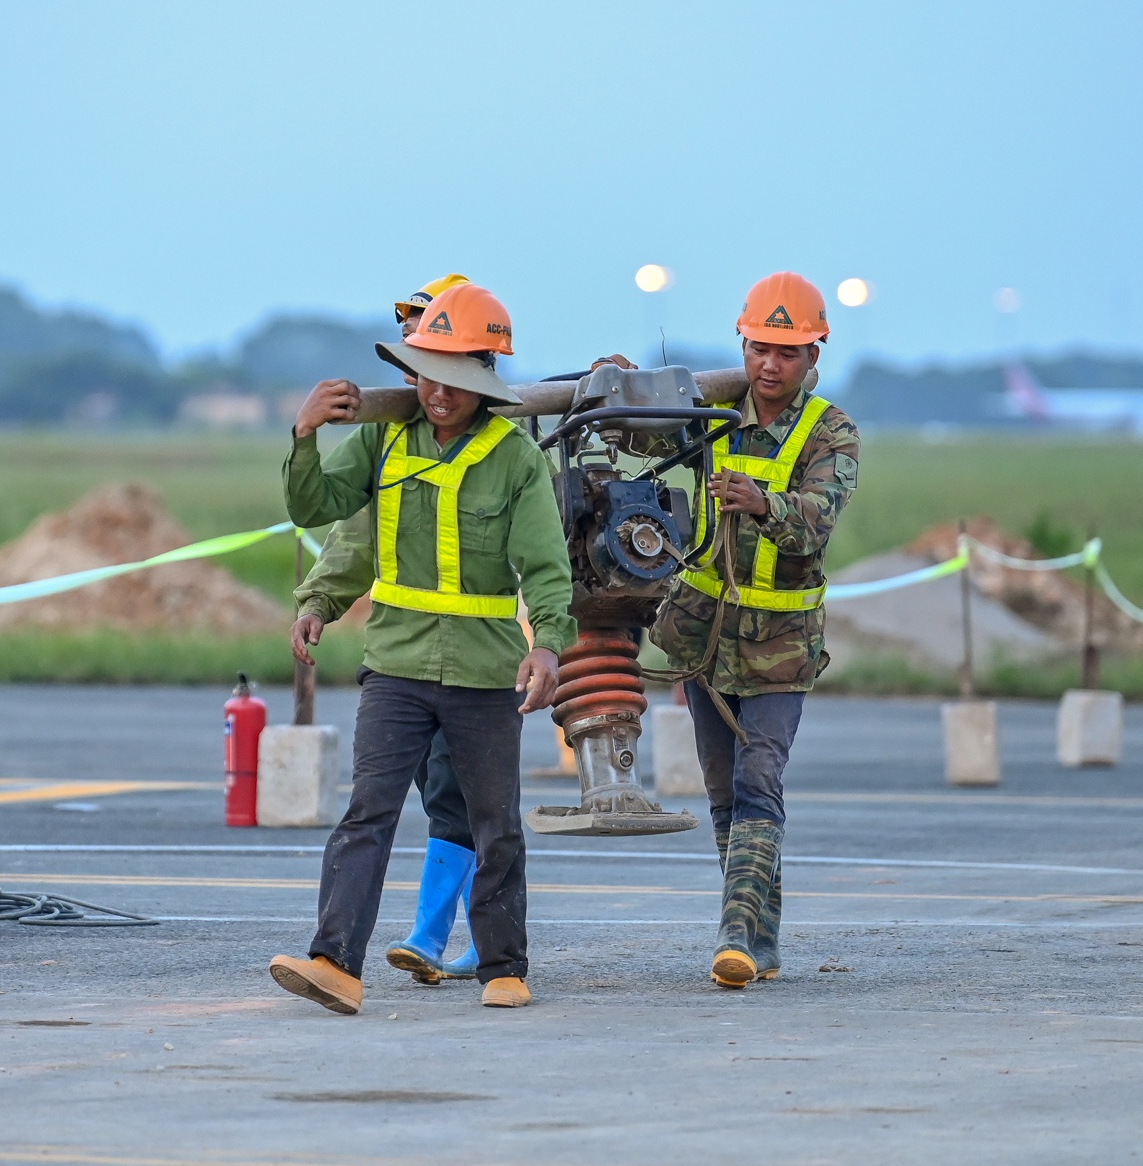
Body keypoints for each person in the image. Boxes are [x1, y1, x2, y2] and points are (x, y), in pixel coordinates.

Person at [268, 281, 574, 1014]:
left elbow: (545, 566)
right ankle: (334, 962)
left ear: (485, 375)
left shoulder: (516, 458)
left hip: (482, 673)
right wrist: (305, 436)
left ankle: (504, 967)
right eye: (426, 371)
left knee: (493, 821)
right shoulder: (383, 438)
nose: (437, 392)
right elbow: (325, 514)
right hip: (395, 670)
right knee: (367, 812)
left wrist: (550, 648)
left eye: (456, 377)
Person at [625, 271, 859, 988]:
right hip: (703, 638)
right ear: (744, 344)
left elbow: (817, 519)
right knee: (726, 793)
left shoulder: (832, 431)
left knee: (761, 781)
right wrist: (620, 387)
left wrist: (764, 503)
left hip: (782, 648)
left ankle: (733, 932)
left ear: (814, 356)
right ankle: (762, 941)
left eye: (787, 353)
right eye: (760, 347)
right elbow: (638, 439)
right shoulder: (709, 408)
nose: (770, 365)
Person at [290, 273, 488, 985]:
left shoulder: (497, 433)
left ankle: (462, 944)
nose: (414, 365)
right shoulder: (389, 437)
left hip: (477, 659)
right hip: (405, 656)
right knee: (405, 799)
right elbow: (354, 535)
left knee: (467, 798)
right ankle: (427, 941)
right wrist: (318, 601)